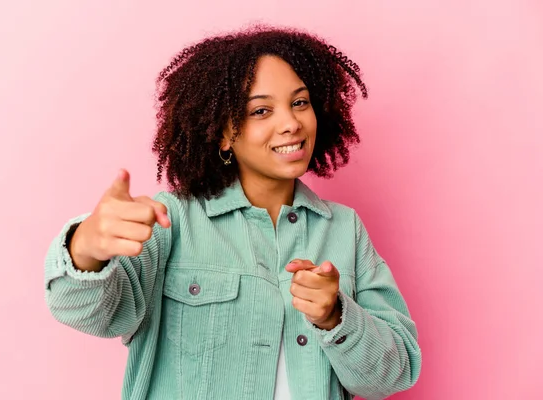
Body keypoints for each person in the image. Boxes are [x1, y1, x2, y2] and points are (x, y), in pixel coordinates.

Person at [44, 25, 421, 400]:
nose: (290, 123)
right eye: (261, 110)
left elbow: (395, 373)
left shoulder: (343, 229)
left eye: (300, 102)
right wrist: (86, 248)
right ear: (224, 133)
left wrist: (335, 317)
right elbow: (90, 313)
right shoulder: (173, 219)